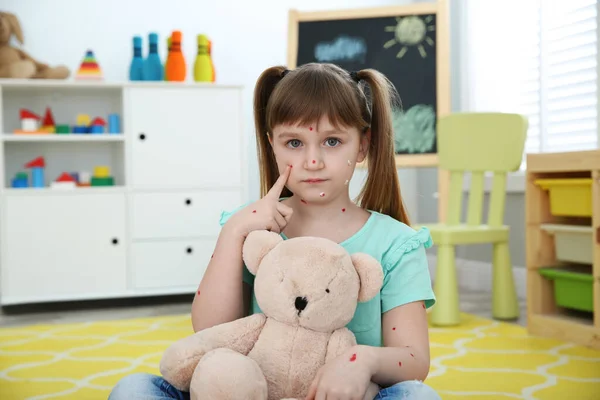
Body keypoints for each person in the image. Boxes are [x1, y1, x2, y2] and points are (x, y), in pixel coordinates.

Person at [109, 63, 441, 400]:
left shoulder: (396, 243)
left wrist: (361, 360)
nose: (313, 161)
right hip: (252, 392)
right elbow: (210, 331)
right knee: (133, 389)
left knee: (419, 397)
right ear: (272, 145)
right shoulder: (251, 229)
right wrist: (234, 230)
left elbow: (414, 360)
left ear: (362, 145)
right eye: (294, 143)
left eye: (332, 141)